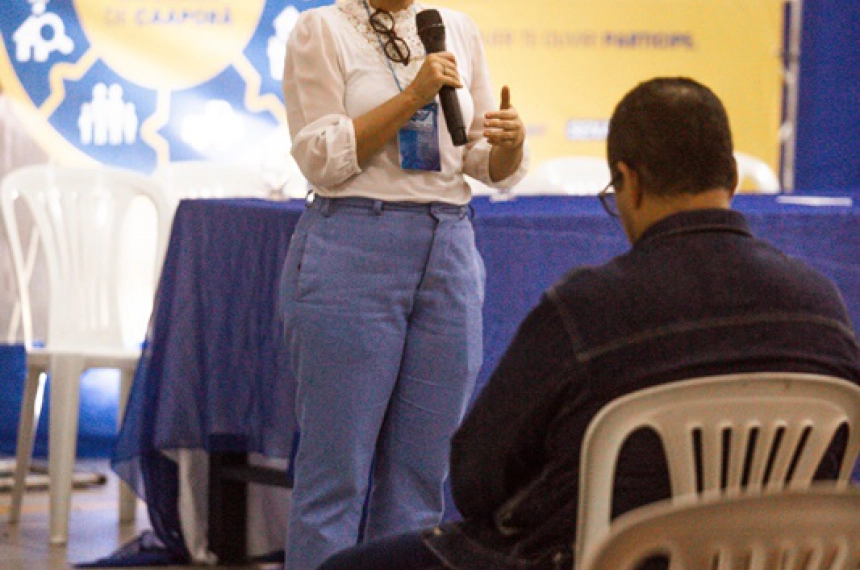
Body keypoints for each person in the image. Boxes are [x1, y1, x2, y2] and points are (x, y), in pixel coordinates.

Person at [313, 76, 860, 570]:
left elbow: (478, 480)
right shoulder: (823, 308)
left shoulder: (585, 311)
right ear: (734, 178)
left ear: (629, 182)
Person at [278, 0, 527, 568]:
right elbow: (320, 158)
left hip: (450, 245)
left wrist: (508, 144)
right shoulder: (322, 30)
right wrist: (413, 96)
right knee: (335, 476)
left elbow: (476, 155)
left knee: (420, 477)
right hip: (354, 243)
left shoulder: (454, 28)